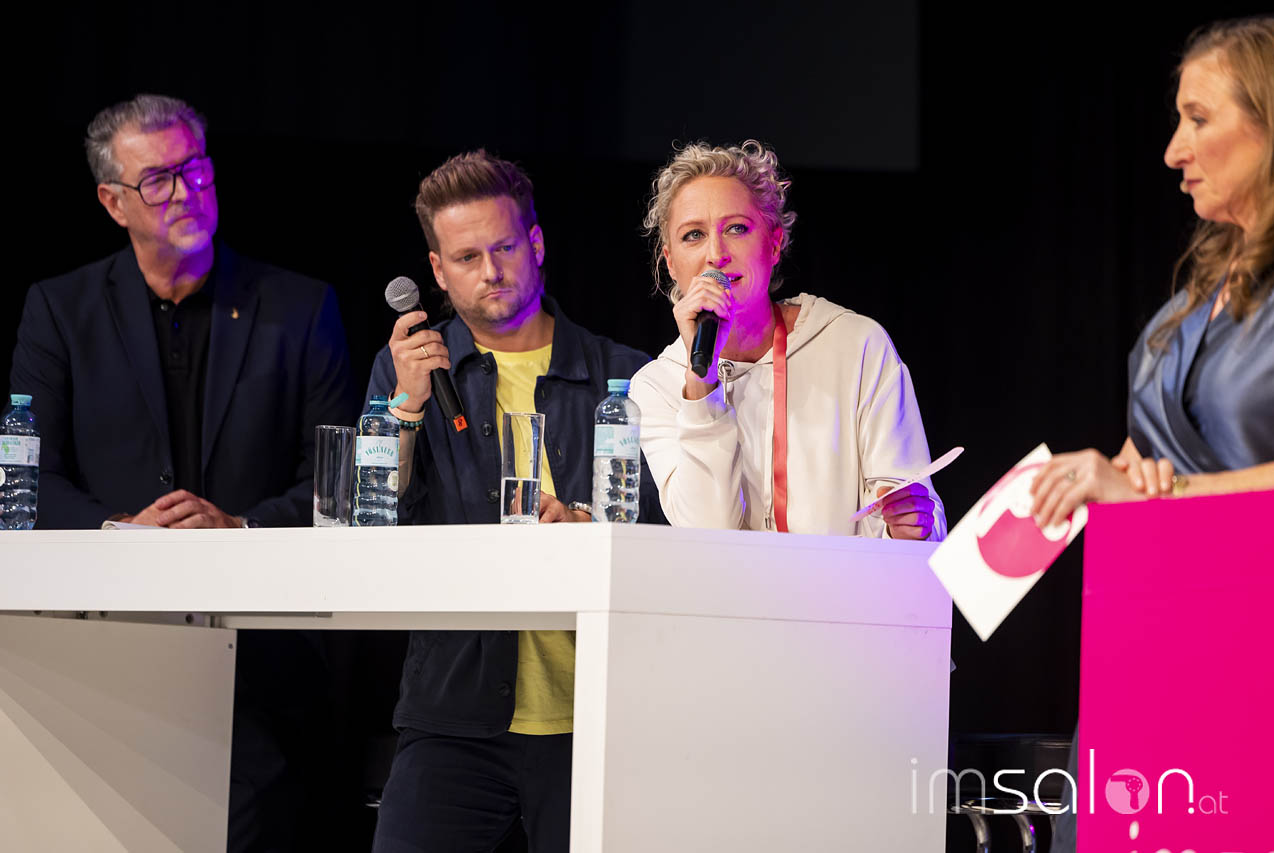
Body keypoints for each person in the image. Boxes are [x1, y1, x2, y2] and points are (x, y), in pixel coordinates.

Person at [8, 94, 357, 850]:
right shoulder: (60, 310)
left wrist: (240, 526)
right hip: (105, 652)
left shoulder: (300, 308)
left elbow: (338, 483)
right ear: (113, 202)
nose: (186, 193)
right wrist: (121, 531)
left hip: (261, 664)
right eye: (158, 180)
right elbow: (25, 480)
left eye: (195, 170)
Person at [365, 150, 664, 852]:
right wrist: (405, 408)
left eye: (503, 248)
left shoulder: (626, 375)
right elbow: (371, 518)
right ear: (438, 271)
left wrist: (588, 525)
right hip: (453, 710)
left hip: (596, 712)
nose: (490, 271)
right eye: (466, 257)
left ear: (536, 243)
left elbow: (668, 531)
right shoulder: (406, 371)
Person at [1031, 17, 1274, 853]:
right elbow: (1154, 455)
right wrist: (1092, 479)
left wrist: (1159, 493)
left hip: (1259, 642)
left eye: (1199, 119)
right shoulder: (1194, 294)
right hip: (1158, 632)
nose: (1175, 151)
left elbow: (1173, 483)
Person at [628, 140, 946, 540]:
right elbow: (706, 536)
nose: (716, 254)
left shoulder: (855, 346)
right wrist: (701, 384)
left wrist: (908, 529)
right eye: (693, 235)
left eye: (737, 228)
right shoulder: (656, 386)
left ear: (775, 243)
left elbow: (915, 516)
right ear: (671, 262)